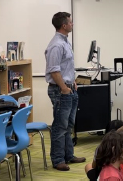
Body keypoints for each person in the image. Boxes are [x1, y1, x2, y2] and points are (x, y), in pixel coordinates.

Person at [45, 12, 85, 171]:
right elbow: (54, 70)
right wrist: (64, 88)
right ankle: (58, 159)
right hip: (60, 91)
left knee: (68, 125)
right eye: (70, 22)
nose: (72, 24)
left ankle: (69, 155)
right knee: (60, 126)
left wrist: (72, 82)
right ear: (64, 25)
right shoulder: (56, 45)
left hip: (68, 88)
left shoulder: (65, 42)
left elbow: (65, 67)